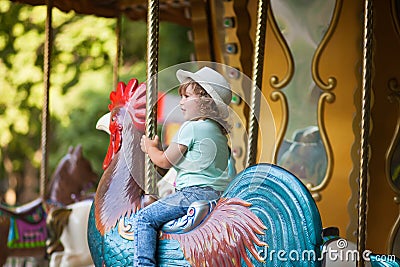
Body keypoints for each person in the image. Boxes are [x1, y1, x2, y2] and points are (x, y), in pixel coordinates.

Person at [134, 66, 233, 266]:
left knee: (144, 218)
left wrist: (150, 148)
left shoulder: (192, 128)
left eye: (186, 96)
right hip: (218, 195)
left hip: (192, 194)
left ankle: (144, 264)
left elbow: (163, 161)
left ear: (206, 101)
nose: (180, 103)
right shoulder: (218, 132)